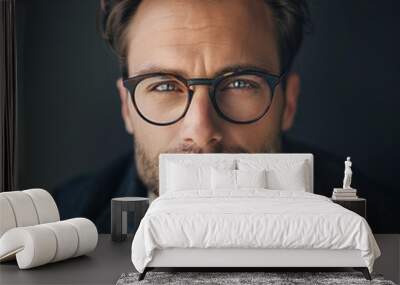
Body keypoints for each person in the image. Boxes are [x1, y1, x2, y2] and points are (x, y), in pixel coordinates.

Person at [53, 0, 383, 233]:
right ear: (127, 107)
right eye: (165, 86)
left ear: (289, 103)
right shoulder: (55, 224)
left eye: (240, 84)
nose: (201, 131)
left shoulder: (386, 222)